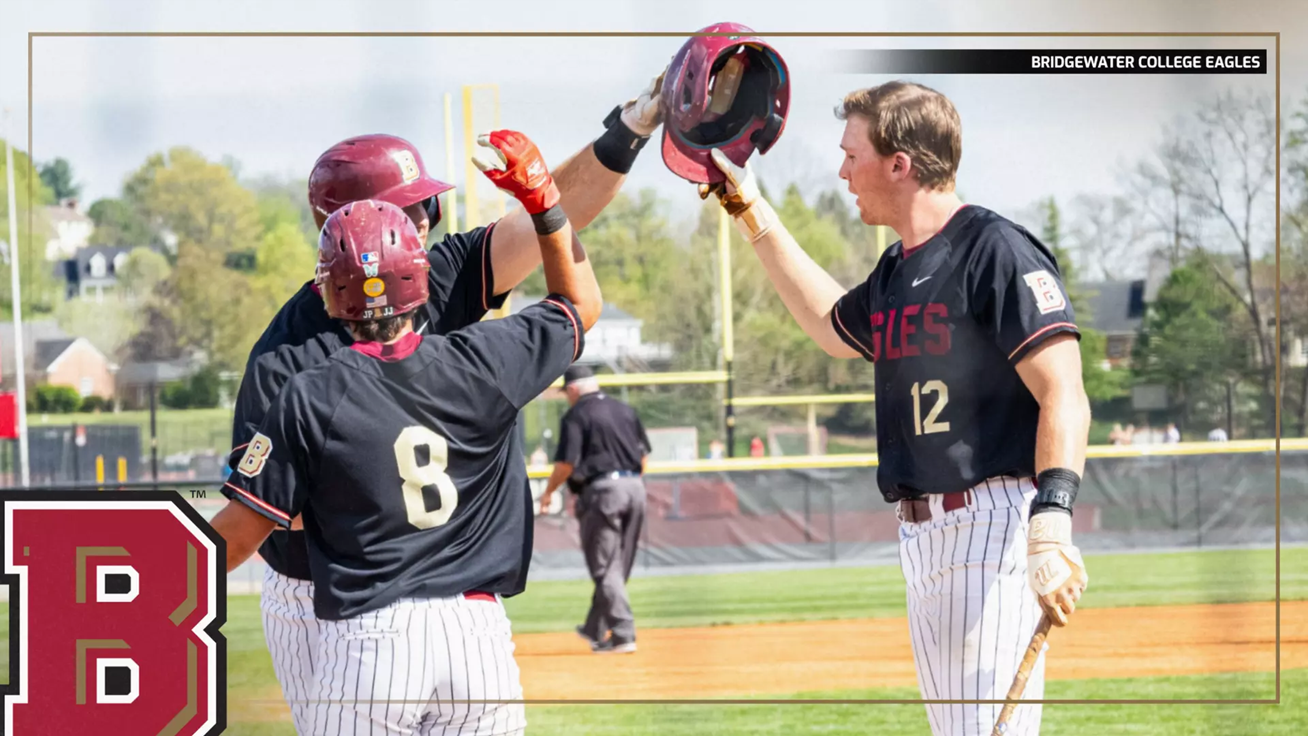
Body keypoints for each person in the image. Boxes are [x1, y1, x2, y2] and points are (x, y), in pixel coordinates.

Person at [226, 69, 667, 729]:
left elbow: (239, 524)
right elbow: (276, 522)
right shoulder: (287, 361)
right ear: (351, 223)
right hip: (321, 592)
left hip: (388, 622)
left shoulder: (433, 281)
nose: (429, 219)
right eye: (413, 209)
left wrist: (632, 126)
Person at [692, 81, 1090, 735]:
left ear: (900, 163)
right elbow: (828, 323)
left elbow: (1065, 393)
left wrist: (1052, 520)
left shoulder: (994, 249)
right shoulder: (899, 269)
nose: (843, 170)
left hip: (990, 522)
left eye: (854, 155)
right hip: (923, 534)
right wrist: (751, 211)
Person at [538, 364, 651, 654]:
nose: (567, 398)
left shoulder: (577, 415)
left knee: (605, 568)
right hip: (635, 488)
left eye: (567, 393)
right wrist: (631, 485)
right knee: (619, 563)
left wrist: (549, 492)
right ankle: (596, 627)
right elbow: (643, 457)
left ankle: (624, 634)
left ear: (574, 389)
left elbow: (566, 464)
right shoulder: (624, 410)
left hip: (603, 492)